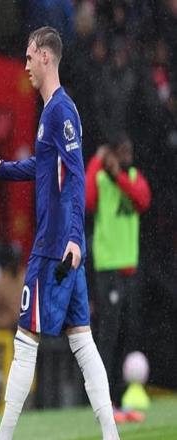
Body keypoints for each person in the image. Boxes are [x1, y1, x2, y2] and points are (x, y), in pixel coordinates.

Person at [0, 27, 119, 440]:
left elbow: (76, 177)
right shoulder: (52, 111)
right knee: (83, 341)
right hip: (65, 247)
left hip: (54, 248)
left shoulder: (61, 111)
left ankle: (3, 436)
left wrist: (75, 237)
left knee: (26, 339)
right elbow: (42, 167)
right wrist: (0, 169)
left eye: (29, 56)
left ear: (45, 56)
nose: (25, 64)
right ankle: (112, 435)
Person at [86, 135, 151, 420]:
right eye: (121, 152)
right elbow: (87, 201)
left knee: (128, 333)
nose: (127, 156)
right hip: (109, 269)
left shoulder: (133, 178)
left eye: (128, 151)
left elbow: (143, 200)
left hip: (130, 269)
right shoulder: (100, 179)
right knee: (108, 336)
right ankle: (104, 400)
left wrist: (118, 176)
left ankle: (123, 398)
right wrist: (97, 161)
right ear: (110, 154)